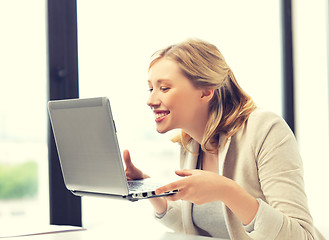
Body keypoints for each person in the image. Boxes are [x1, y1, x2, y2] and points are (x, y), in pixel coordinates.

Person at [123, 39, 325, 240]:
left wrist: (226, 190)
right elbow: (202, 229)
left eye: (164, 88)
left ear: (206, 91)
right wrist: (149, 189)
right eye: (151, 89)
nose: (150, 100)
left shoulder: (265, 129)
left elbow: (301, 236)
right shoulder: (191, 144)